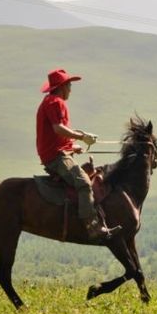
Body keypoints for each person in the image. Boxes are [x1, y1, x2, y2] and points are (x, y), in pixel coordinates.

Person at [36, 68, 119, 240]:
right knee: (83, 182)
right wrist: (82, 137)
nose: (71, 90)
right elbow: (58, 128)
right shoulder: (55, 102)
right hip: (56, 156)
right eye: (70, 86)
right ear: (63, 87)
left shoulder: (52, 101)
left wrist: (72, 147)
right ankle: (92, 226)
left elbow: (56, 135)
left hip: (59, 153)